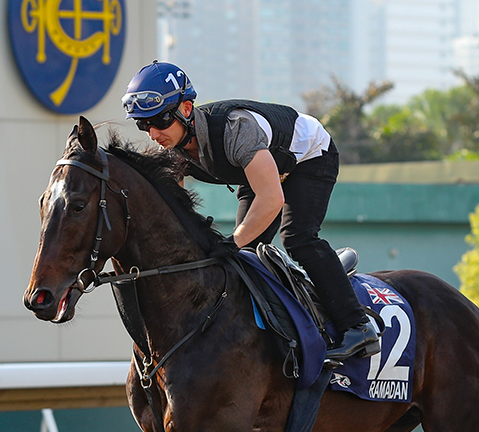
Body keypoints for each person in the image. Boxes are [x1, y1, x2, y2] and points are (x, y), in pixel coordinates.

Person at [121, 60, 380, 361]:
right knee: (248, 256)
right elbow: (175, 210)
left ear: (187, 109)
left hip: (308, 158)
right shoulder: (172, 148)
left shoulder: (236, 129)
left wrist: (232, 241)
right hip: (256, 170)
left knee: (297, 238)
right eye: (143, 124)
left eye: (161, 120)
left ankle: (358, 327)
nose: (153, 132)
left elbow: (271, 198)